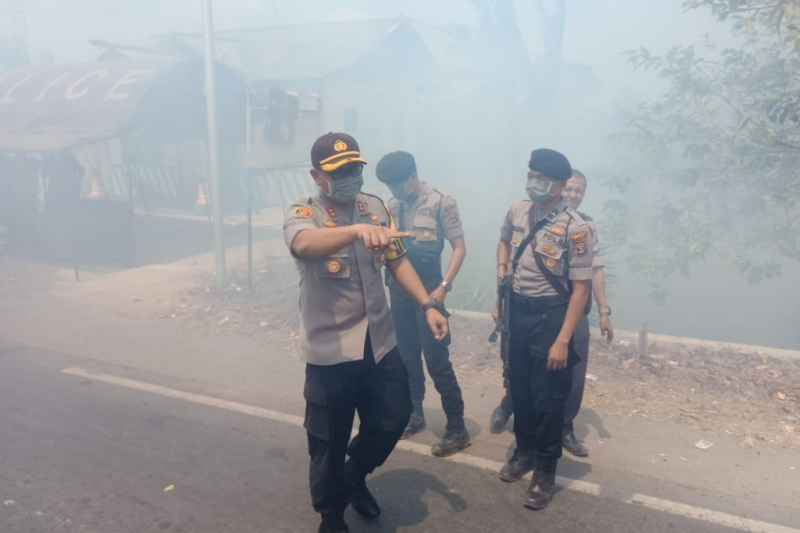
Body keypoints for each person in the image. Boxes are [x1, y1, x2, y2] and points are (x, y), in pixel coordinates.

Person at [283, 133, 449, 533]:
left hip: (379, 341)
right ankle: (332, 515)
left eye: (355, 168)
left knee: (395, 417)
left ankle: (353, 476)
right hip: (331, 351)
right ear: (317, 176)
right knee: (328, 441)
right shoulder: (305, 213)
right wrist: (355, 232)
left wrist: (428, 305)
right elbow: (303, 244)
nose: (350, 177)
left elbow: (396, 260)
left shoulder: (373, 207)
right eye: (339, 171)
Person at [490, 170, 615, 459]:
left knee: (570, 371)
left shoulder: (584, 227)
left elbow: (594, 272)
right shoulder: (522, 212)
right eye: (569, 189)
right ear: (559, 188)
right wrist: (501, 297)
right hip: (526, 309)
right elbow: (510, 256)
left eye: (578, 191)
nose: (572, 195)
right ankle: (510, 406)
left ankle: (564, 428)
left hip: (569, 309)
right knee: (517, 366)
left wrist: (604, 311)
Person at [494, 149, 594, 510]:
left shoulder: (576, 228)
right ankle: (523, 453)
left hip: (551, 319)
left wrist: (563, 340)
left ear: (561, 186)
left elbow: (581, 289)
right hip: (518, 314)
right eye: (531, 174)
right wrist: (502, 272)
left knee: (549, 399)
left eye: (541, 178)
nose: (533, 182)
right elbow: (504, 242)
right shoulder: (517, 210)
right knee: (518, 389)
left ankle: (546, 470)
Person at [375, 151, 470, 457]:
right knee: (406, 357)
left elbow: (459, 248)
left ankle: (457, 426)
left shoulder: (442, 201)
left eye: (396, 184)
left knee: (436, 359)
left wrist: (444, 288)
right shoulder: (392, 206)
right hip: (399, 290)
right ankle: (414, 413)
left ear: (412, 177)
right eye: (388, 186)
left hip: (430, 289)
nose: (393, 190)